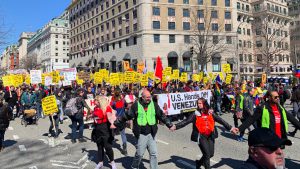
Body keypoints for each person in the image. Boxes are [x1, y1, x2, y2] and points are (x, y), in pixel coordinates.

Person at [114, 89, 174, 169]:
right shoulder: (136, 105)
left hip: (152, 133)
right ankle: (134, 166)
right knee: (139, 154)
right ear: (142, 97)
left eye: (150, 97)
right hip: (141, 133)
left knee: (153, 153)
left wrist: (169, 124)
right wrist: (116, 123)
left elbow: (161, 115)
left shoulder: (154, 105)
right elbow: (126, 116)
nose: (149, 98)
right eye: (147, 97)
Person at [173, 98, 236, 169]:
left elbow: (221, 120)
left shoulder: (210, 113)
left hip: (210, 135)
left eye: (200, 103)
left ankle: (199, 163)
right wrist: (175, 126)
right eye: (198, 103)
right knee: (207, 155)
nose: (198, 105)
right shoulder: (196, 114)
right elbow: (186, 121)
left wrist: (231, 128)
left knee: (211, 154)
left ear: (204, 104)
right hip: (201, 136)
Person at [235, 90, 300, 140]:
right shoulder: (262, 108)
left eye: (278, 97)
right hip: (267, 138)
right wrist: (239, 129)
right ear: (269, 97)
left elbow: (292, 119)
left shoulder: (280, 108)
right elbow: (251, 119)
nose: (278, 98)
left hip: (279, 138)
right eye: (275, 97)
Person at [92, 96, 117, 169]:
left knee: (108, 147)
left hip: (105, 128)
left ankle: (112, 162)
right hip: (97, 129)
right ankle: (100, 162)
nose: (94, 102)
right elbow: (95, 117)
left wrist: (112, 123)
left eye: (95, 100)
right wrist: (91, 116)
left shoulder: (107, 108)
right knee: (99, 146)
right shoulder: (95, 108)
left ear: (100, 101)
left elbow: (110, 117)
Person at [111, 89, 128, 156]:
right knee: (123, 134)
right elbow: (126, 106)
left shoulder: (113, 102)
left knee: (112, 132)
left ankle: (109, 147)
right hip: (122, 119)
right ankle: (125, 150)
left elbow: (111, 107)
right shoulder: (123, 101)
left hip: (115, 119)